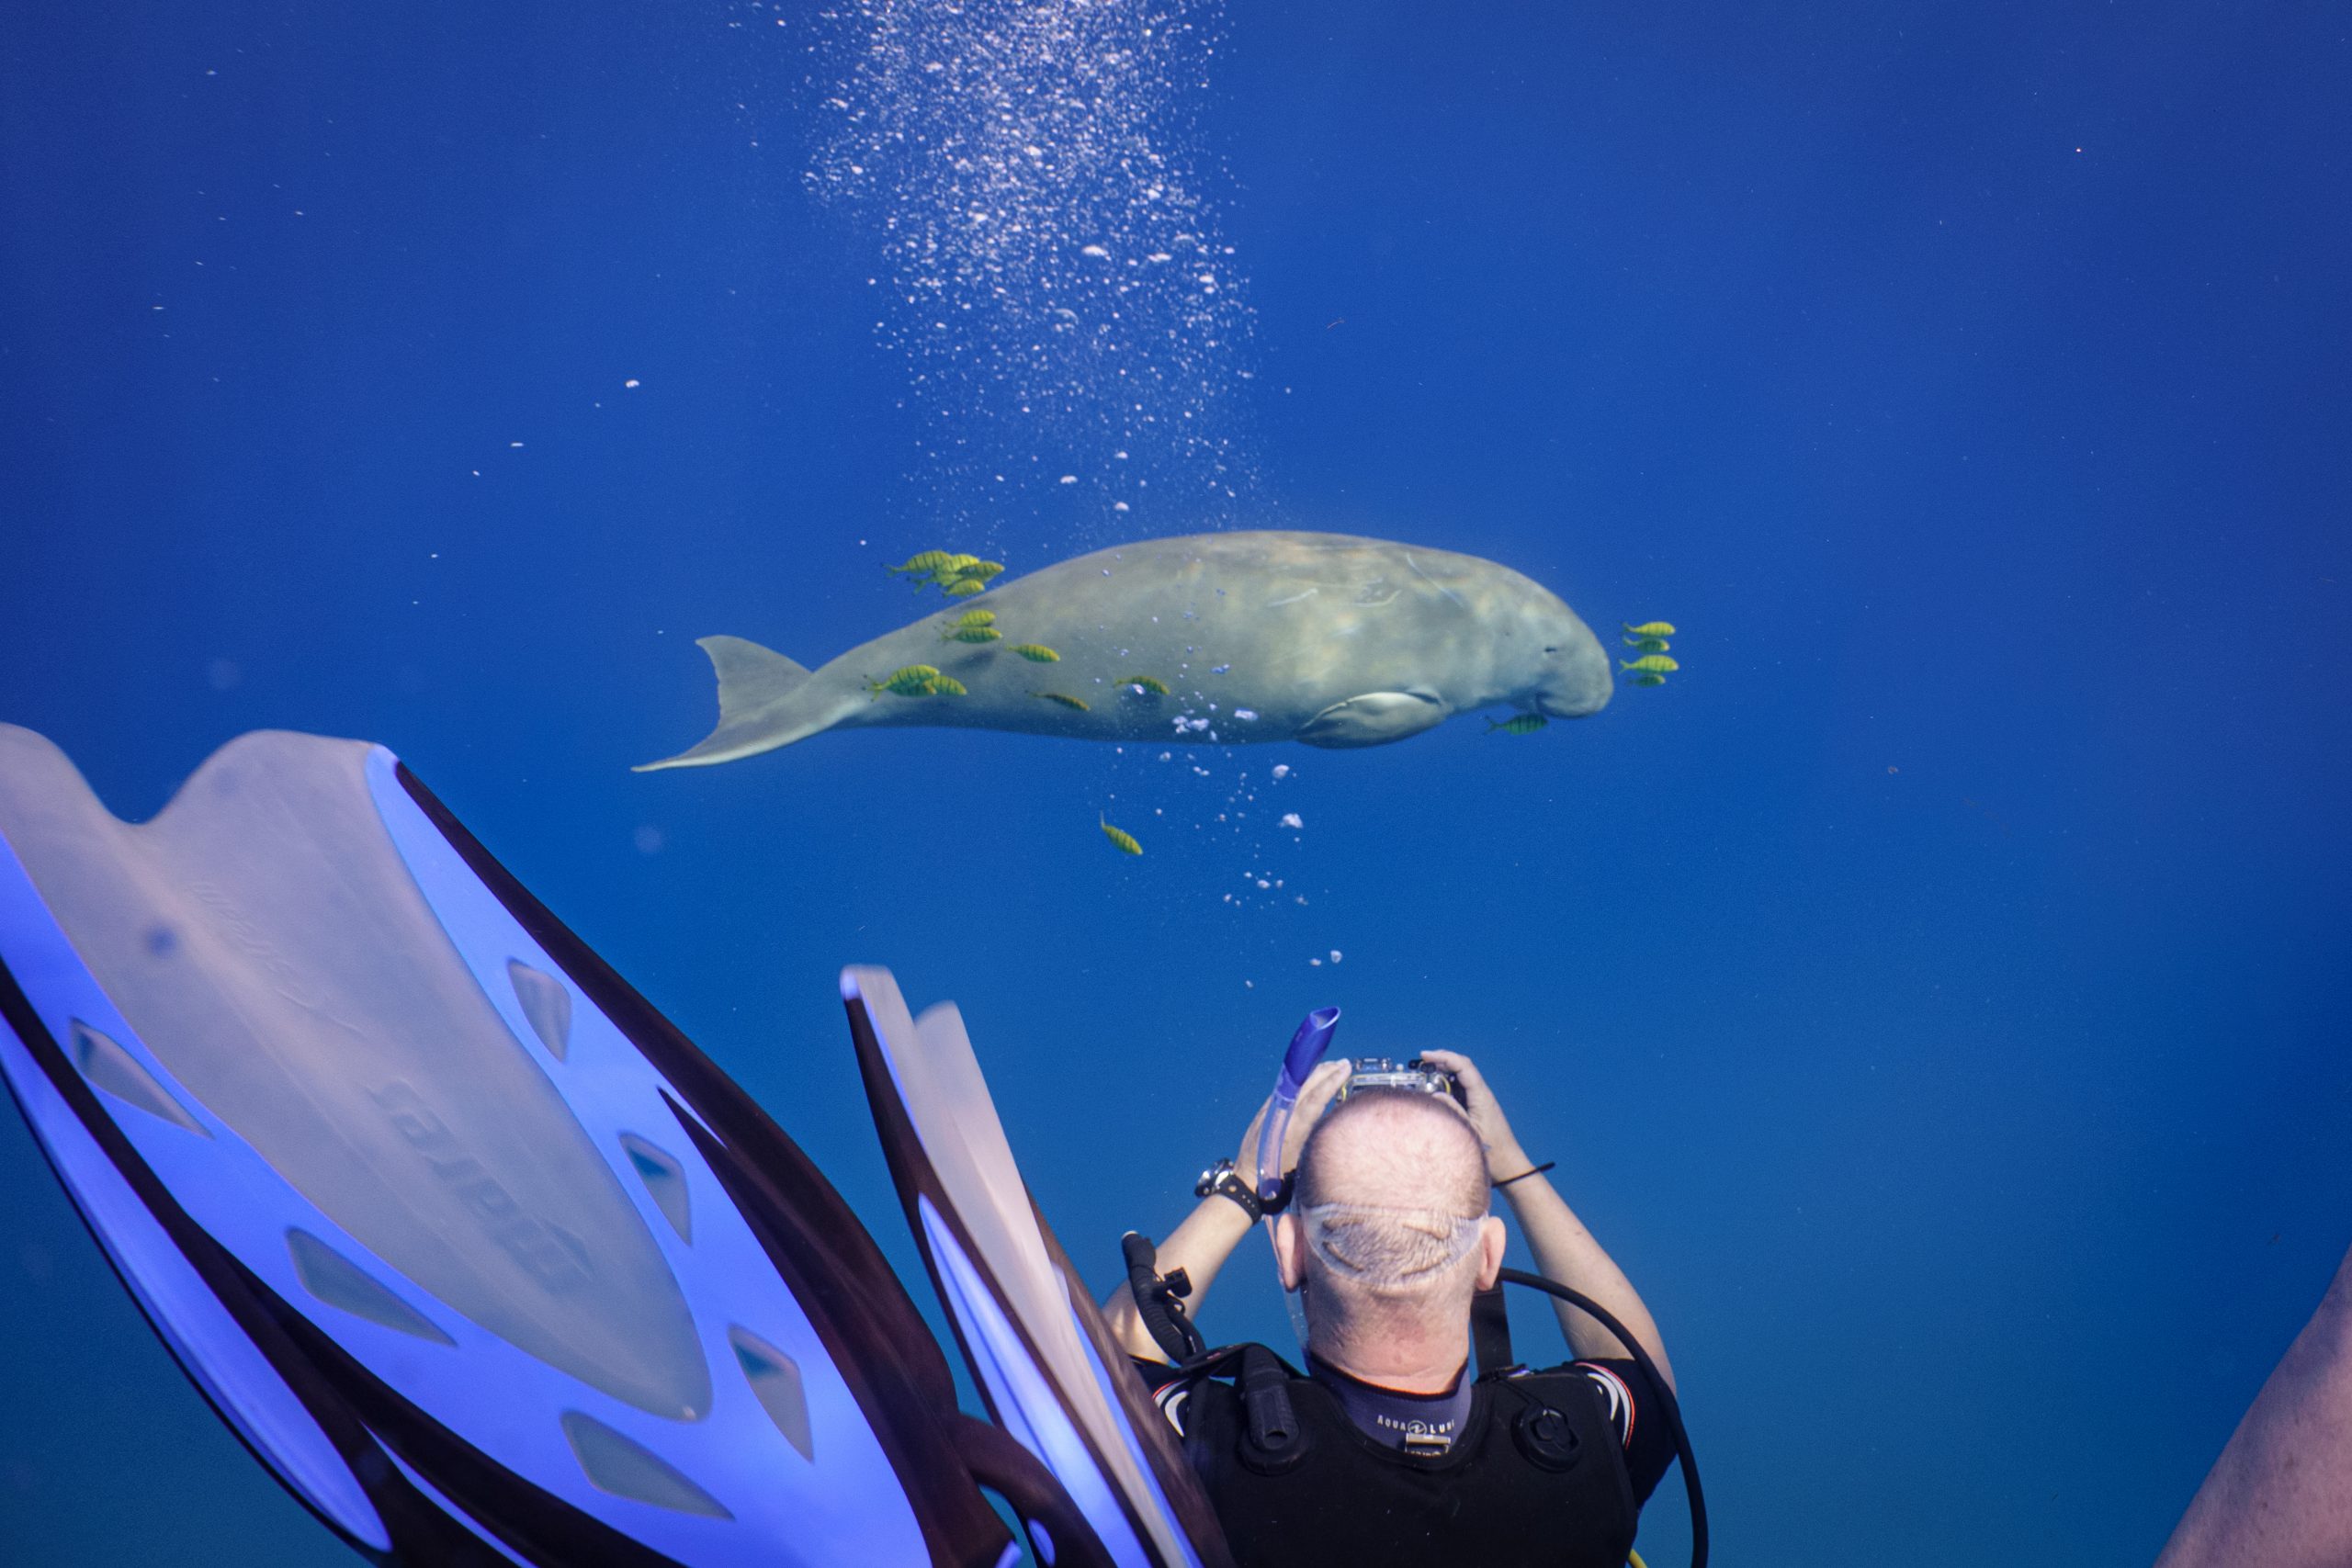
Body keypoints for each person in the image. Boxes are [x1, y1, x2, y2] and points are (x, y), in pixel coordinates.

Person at [1103, 1048, 1679, 1567]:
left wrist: (1246, 1186)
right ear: (1490, 1258)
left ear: (1289, 1255)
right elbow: (1642, 1371)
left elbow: (1103, 1362)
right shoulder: (1582, 1448)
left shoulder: (1202, 1453)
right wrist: (1512, 1170)